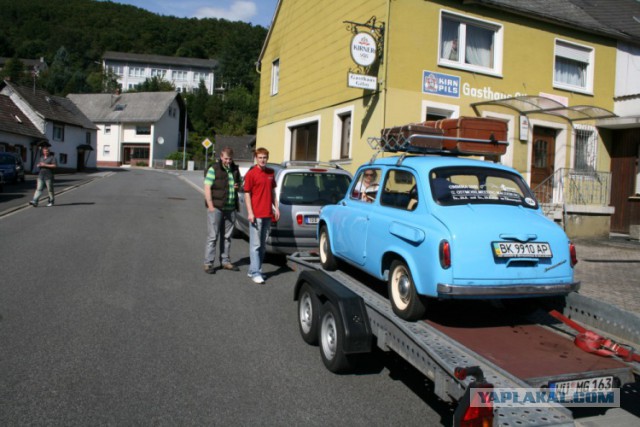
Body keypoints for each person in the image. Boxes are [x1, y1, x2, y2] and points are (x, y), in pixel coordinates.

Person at [243, 147, 280, 284]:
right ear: (256, 158)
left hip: (267, 214)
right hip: (256, 214)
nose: (262, 160)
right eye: (260, 157)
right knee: (255, 244)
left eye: (265, 157)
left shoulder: (271, 173)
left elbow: (273, 192)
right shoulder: (251, 174)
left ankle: (254, 269)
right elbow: (247, 195)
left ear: (267, 158)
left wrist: (276, 207)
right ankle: (255, 272)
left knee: (263, 245)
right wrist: (250, 212)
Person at [203, 147, 242, 274]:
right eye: (226, 159)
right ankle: (208, 263)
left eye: (230, 159)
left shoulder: (235, 169)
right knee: (213, 237)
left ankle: (225, 261)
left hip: (230, 208)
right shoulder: (214, 169)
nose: (228, 161)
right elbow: (207, 187)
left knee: (227, 237)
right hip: (217, 208)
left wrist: (238, 185)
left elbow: (240, 184)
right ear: (221, 157)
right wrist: (210, 206)